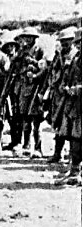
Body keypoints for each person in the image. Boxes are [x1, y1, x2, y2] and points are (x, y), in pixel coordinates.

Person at [44, 28, 78, 163]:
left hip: (71, 96)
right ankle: (57, 153)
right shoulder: (58, 55)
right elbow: (51, 72)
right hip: (58, 95)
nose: (64, 44)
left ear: (72, 41)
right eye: (62, 42)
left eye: (67, 42)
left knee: (69, 126)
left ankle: (71, 156)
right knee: (58, 124)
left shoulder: (76, 56)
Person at [54, 28, 81, 185]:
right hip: (74, 104)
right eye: (78, 43)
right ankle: (75, 170)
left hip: (78, 100)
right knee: (75, 137)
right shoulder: (77, 57)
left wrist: (77, 89)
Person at [16, 27, 46, 158]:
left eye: (30, 37)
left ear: (34, 38)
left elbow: (44, 68)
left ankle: (38, 148)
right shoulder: (22, 51)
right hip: (24, 88)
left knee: (36, 121)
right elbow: (15, 67)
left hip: (35, 87)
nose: (27, 39)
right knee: (25, 120)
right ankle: (26, 145)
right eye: (25, 37)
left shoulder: (40, 50)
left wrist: (33, 67)